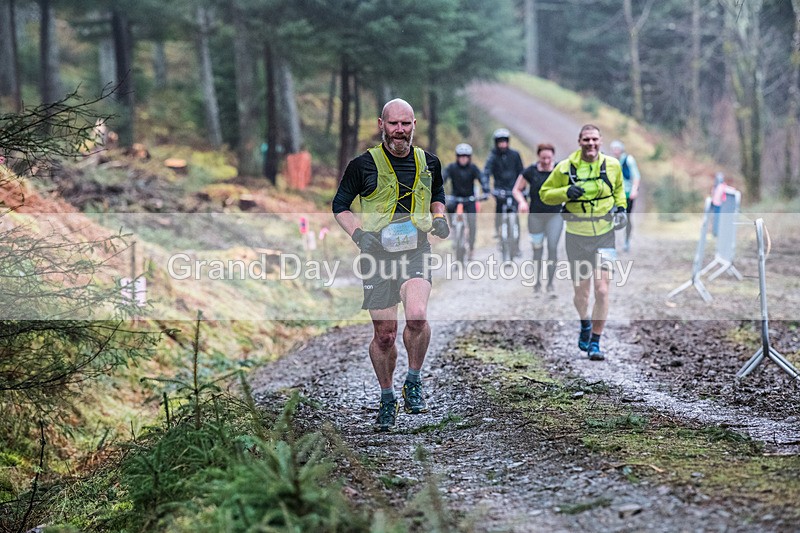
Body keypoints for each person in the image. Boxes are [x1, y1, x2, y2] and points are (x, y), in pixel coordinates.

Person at [332, 98, 448, 431]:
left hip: (416, 250)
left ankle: (413, 379)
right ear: (381, 124)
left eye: (406, 124)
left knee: (417, 315)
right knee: (385, 336)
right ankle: (387, 398)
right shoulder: (362, 165)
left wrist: (439, 217)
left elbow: (437, 192)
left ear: (414, 126)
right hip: (377, 256)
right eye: (393, 124)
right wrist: (358, 236)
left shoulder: (429, 162)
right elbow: (340, 205)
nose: (400, 130)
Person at [539, 125, 627, 361]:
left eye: (595, 139)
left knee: (602, 289)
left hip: (605, 233)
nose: (591, 143)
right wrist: (567, 191)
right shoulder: (566, 167)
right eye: (586, 139)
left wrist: (621, 209)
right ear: (579, 141)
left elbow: (619, 189)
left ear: (600, 141)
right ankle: (585, 323)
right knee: (581, 293)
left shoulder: (613, 165)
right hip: (576, 235)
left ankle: (596, 342)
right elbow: (544, 193)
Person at [512, 143, 563, 294]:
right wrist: (522, 202)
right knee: (537, 250)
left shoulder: (560, 170)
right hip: (535, 216)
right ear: (538, 157)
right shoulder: (530, 171)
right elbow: (516, 190)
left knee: (552, 247)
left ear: (553, 156)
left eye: (549, 158)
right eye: (543, 158)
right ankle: (537, 281)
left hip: (555, 215)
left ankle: (550, 283)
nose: (546, 161)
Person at [443, 143, 489, 260]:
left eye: (466, 156)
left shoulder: (473, 168)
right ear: (457, 157)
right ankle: (453, 229)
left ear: (469, 157)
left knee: (472, 224)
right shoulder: (452, 167)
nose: (463, 159)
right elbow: (442, 178)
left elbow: (482, 178)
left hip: (470, 199)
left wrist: (486, 190)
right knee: (449, 207)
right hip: (455, 198)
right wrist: (438, 189)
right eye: (461, 156)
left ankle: (471, 248)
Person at [484, 128, 524, 257]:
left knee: (515, 217)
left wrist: (523, 189)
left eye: (504, 141)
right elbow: (486, 172)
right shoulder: (492, 157)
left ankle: (516, 245)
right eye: (500, 142)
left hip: (514, 190)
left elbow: (522, 173)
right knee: (499, 211)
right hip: (499, 190)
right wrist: (486, 187)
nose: (502, 144)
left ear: (508, 142)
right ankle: (498, 230)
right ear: (496, 143)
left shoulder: (515, 155)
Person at [608, 140, 641, 252]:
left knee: (627, 217)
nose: (615, 151)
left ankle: (626, 241)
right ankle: (609, 241)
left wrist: (634, 190)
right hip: (613, 194)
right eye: (614, 149)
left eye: (617, 149)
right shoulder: (611, 161)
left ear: (621, 149)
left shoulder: (628, 160)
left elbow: (636, 176)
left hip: (627, 193)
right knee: (610, 216)